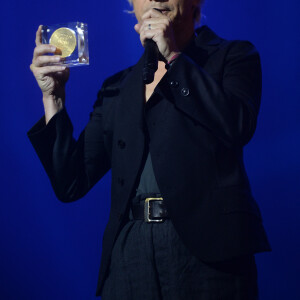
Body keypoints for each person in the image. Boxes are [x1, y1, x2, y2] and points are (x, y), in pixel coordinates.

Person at [28, 0, 272, 299]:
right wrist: (53, 97)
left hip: (209, 254)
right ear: (133, 8)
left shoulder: (231, 56)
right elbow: (71, 182)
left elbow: (238, 125)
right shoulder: (117, 87)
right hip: (130, 254)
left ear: (195, 4)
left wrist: (172, 56)